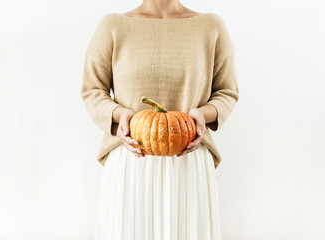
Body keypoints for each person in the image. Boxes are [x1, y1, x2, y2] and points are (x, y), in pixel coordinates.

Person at [80, 0, 239, 239]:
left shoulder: (211, 27)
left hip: (189, 161)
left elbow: (227, 92)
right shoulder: (113, 26)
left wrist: (201, 116)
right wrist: (118, 114)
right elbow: (92, 89)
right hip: (131, 160)